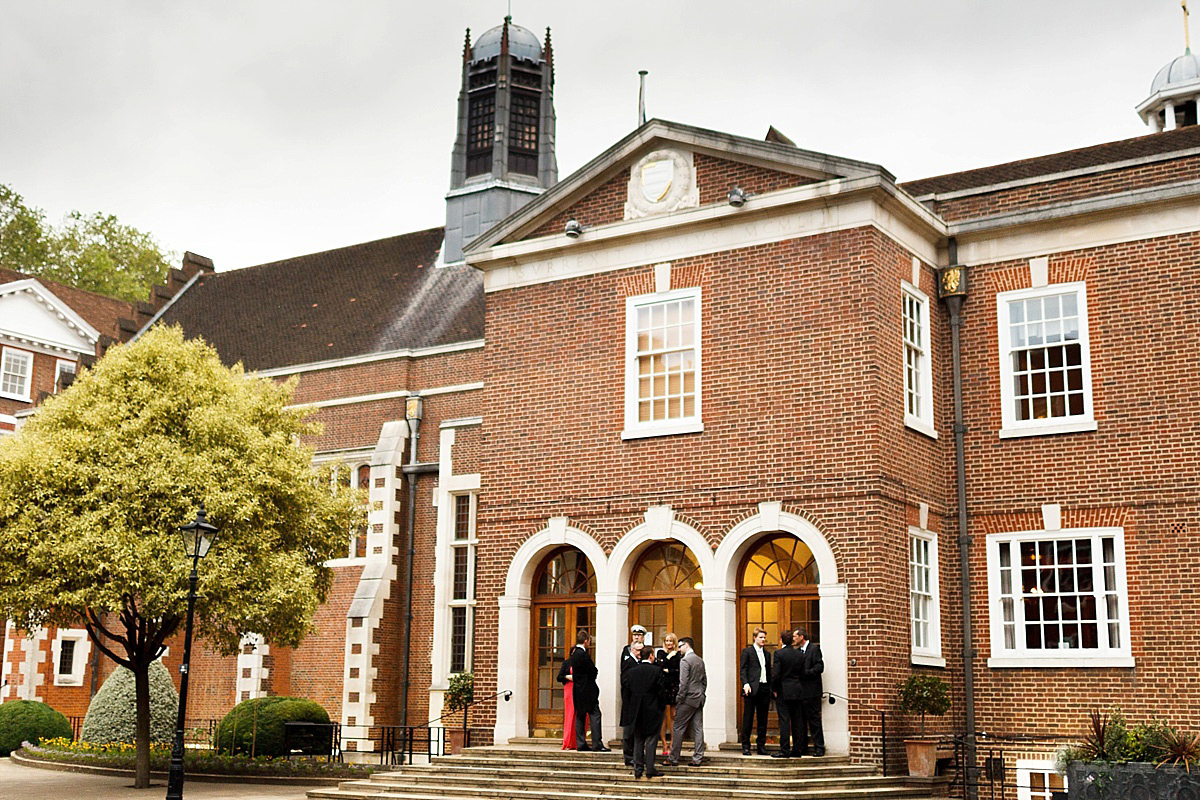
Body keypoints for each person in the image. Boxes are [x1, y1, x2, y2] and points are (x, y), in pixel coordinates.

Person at [556, 629, 609, 752]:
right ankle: (597, 743)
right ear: (586, 641)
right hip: (588, 690)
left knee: (580, 715)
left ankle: (581, 743)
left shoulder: (574, 654)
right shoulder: (583, 654)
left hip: (577, 689)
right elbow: (593, 671)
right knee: (595, 714)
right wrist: (594, 672)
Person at [621, 644, 666, 778]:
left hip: (636, 710)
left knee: (638, 739)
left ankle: (638, 768)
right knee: (651, 739)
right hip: (652, 709)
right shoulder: (657, 671)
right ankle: (650, 768)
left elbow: (627, 690)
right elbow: (661, 693)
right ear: (651, 656)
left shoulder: (632, 671)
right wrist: (661, 708)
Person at [666, 636, 706, 767]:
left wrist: (679, 699)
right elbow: (704, 681)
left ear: (686, 645)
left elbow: (683, 683)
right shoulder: (700, 660)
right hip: (699, 697)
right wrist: (701, 693)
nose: (679, 649)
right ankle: (698, 758)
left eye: (680, 646)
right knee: (698, 728)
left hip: (688, 697)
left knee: (678, 727)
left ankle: (673, 758)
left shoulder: (685, 661)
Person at [739, 627, 773, 755]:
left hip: (764, 688)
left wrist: (770, 687)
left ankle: (761, 745)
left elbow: (768, 672)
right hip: (751, 688)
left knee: (762, 718)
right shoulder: (747, 652)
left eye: (764, 637)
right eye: (760, 637)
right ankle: (746, 745)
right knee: (748, 717)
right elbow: (743, 670)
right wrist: (746, 684)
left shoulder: (767, 654)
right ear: (754, 638)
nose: (763, 639)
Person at [770, 629, 802, 758]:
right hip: (797, 690)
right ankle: (797, 750)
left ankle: (784, 750)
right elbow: (802, 672)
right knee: (797, 721)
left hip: (783, 690)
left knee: (784, 720)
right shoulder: (799, 654)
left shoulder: (779, 654)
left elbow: (776, 674)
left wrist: (774, 689)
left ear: (782, 640)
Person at [794, 627, 825, 757]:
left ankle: (819, 747)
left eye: (795, 636)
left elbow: (819, 667)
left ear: (802, 637)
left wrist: (806, 673)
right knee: (800, 721)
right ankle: (802, 747)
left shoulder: (814, 649)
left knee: (814, 720)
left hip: (812, 691)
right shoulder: (797, 651)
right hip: (800, 692)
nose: (794, 639)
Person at [619, 624, 647, 766]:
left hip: (642, 699)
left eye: (639, 635)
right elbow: (625, 677)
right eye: (635, 635)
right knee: (629, 730)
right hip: (630, 698)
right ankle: (629, 755)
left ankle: (638, 754)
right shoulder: (627, 652)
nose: (637, 637)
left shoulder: (645, 652)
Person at [656, 632, 681, 756]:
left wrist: (668, 670)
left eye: (671, 641)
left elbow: (678, 671)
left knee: (673, 715)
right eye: (666, 641)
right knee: (662, 716)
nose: (669, 643)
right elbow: (659, 666)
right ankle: (664, 743)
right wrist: (669, 658)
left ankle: (672, 742)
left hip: (673, 687)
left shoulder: (678, 654)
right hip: (662, 686)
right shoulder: (661, 653)